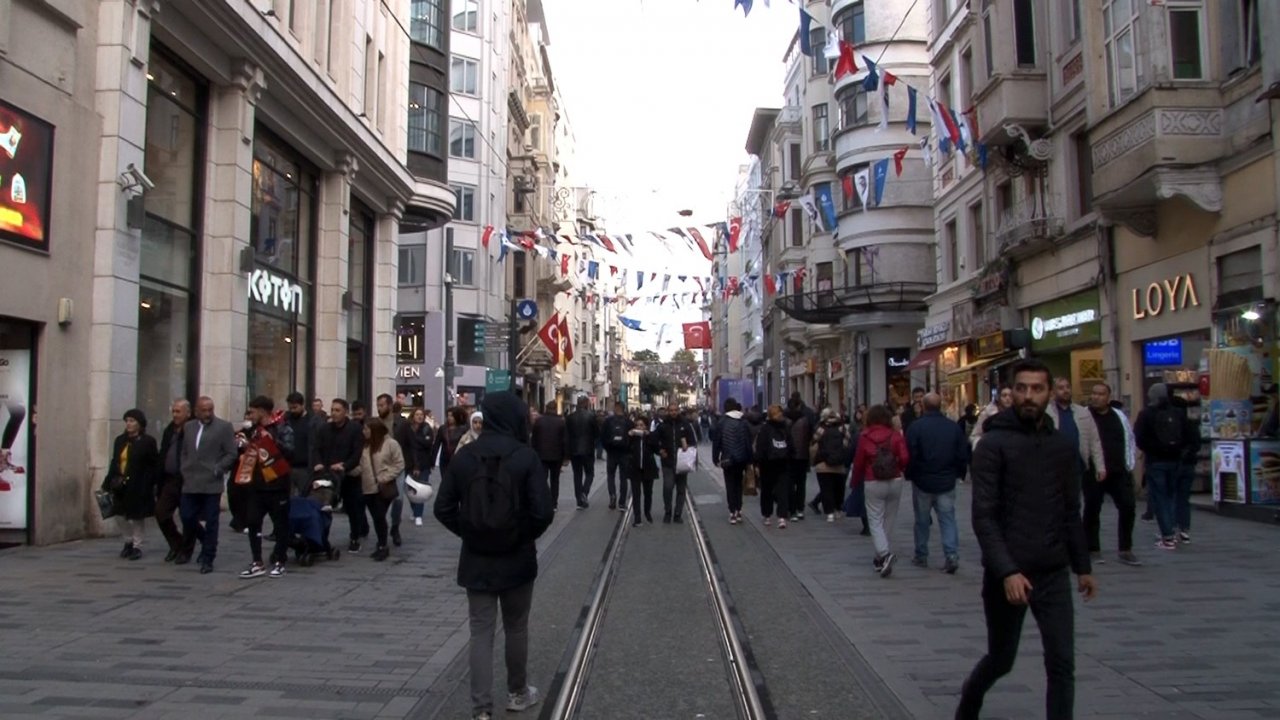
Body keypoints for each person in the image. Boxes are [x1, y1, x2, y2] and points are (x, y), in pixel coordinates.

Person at [956, 359, 1097, 720]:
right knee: (1002, 658)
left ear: (1049, 393)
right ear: (1010, 393)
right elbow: (984, 516)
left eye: (1037, 389)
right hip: (1007, 573)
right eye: (1021, 388)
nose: (1029, 396)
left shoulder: (1061, 447)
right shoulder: (992, 445)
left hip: (1052, 571)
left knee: (1062, 663)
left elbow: (1071, 511)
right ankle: (969, 701)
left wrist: (1083, 567)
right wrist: (1007, 571)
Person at [434, 392, 553, 720]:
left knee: (481, 631)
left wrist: (470, 531)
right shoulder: (525, 457)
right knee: (516, 627)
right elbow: (543, 511)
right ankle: (517, 693)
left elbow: (442, 507)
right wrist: (522, 534)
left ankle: (481, 709)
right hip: (517, 557)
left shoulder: (465, 456)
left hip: (477, 557)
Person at [905, 393, 970, 574]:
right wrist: (959, 473)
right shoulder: (952, 427)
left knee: (922, 520)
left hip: (922, 480)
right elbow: (962, 453)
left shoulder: (916, 427)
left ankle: (921, 554)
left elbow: (911, 454)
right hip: (946, 479)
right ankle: (951, 554)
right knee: (947, 519)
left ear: (923, 406)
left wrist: (910, 474)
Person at [236, 396, 295, 579]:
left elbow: (290, 452)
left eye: (252, 412)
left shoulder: (282, 428)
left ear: (262, 411)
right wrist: (242, 446)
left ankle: (280, 561)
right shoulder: (253, 430)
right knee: (253, 521)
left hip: (277, 484)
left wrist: (273, 441)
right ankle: (257, 562)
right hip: (257, 484)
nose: (250, 415)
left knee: (280, 524)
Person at [177, 397, 238, 573]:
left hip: (211, 482)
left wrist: (218, 468)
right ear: (196, 411)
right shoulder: (189, 427)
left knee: (211, 521)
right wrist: (184, 467)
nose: (208, 413)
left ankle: (208, 556)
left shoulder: (223, 427)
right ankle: (204, 539)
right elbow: (185, 451)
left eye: (210, 409)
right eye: (204, 410)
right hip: (191, 481)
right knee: (187, 516)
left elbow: (231, 453)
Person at [1084, 383, 1141, 566]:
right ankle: (1092, 548)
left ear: (1108, 397)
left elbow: (1129, 438)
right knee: (1092, 509)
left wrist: (1129, 464)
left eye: (1101, 394)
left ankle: (1125, 548)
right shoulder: (1085, 416)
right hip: (1093, 471)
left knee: (1128, 506)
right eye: (1094, 393)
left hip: (1118, 470)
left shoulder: (1118, 416)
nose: (1096, 397)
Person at [1135, 383, 1195, 551]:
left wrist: (1150, 450)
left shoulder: (1146, 414)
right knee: (1172, 496)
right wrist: (1178, 451)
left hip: (1155, 461)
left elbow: (1139, 437)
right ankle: (1175, 530)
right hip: (1175, 461)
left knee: (1160, 498)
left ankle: (1168, 536)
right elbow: (1188, 436)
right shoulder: (1177, 413)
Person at [850, 404, 909, 576]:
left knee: (875, 519)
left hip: (873, 480)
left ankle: (884, 554)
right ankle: (880, 558)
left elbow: (858, 463)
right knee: (889, 519)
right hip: (894, 479)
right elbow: (905, 457)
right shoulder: (895, 435)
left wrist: (855, 482)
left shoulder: (865, 437)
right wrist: (899, 468)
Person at [102, 409, 159, 560]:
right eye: (127, 421)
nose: (128, 424)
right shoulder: (120, 440)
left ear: (140, 424)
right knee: (119, 514)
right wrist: (108, 481)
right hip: (120, 483)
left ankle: (137, 545)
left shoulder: (147, 441)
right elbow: (115, 461)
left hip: (139, 483)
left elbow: (153, 464)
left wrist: (151, 483)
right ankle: (128, 540)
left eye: (132, 421)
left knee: (137, 516)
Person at [311, 399, 366, 553]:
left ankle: (355, 537)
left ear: (345, 412)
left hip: (348, 474)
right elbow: (316, 448)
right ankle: (321, 539)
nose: (334, 413)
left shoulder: (355, 428)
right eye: (332, 410)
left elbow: (357, 452)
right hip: (328, 474)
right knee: (325, 506)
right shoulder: (324, 429)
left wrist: (345, 465)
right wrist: (318, 463)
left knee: (353, 508)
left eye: (337, 410)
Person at [359, 417, 405, 562]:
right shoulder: (365, 446)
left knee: (379, 516)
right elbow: (361, 466)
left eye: (366, 429)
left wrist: (385, 477)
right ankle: (380, 543)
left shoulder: (390, 444)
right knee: (376, 517)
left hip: (383, 487)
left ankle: (383, 545)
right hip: (368, 487)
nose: (364, 431)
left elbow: (399, 464)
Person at [377, 394, 416, 548]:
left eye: (382, 405)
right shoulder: (376, 423)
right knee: (380, 500)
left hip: (398, 466)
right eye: (378, 405)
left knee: (398, 499)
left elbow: (411, 444)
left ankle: (395, 527)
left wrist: (415, 465)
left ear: (389, 405)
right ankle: (382, 530)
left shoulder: (402, 423)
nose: (379, 408)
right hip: (380, 466)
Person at [155, 399, 191, 562]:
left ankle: (187, 549)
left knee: (187, 516)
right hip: (170, 479)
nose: (175, 415)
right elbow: (164, 451)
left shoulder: (192, 429)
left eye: (178, 412)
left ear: (188, 413)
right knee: (161, 513)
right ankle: (176, 543)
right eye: (174, 411)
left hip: (186, 479)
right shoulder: (169, 429)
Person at [652, 404, 698, 523]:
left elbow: (693, 441)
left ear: (678, 411)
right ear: (668, 411)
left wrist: (687, 446)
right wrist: (659, 450)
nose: (673, 412)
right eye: (671, 410)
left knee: (681, 489)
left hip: (682, 462)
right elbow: (653, 440)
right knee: (668, 487)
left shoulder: (685, 424)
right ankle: (668, 511)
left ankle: (678, 514)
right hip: (667, 462)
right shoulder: (663, 425)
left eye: (675, 410)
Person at [712, 398, 753, 524]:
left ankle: (732, 511)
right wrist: (750, 459)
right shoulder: (743, 422)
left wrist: (715, 458)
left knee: (730, 485)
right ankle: (739, 510)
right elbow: (748, 442)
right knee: (738, 484)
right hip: (741, 458)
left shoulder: (722, 422)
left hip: (727, 459)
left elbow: (717, 442)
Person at [752, 404, 793, 528]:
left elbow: (760, 448)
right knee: (782, 491)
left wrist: (757, 463)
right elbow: (791, 445)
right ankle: (782, 517)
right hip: (783, 464)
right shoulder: (785, 427)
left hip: (767, 464)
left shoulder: (765, 429)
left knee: (766, 491)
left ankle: (767, 515)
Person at [808, 408, 850, 522]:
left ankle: (829, 513)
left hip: (823, 464)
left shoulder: (821, 428)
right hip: (839, 465)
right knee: (839, 488)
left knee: (826, 489)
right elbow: (847, 443)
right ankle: (837, 509)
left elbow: (813, 441)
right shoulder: (842, 428)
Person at [531, 402, 569, 512]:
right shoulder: (561, 422)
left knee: (542, 479)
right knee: (555, 480)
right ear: (555, 409)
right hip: (557, 456)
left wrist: (534, 453)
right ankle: (554, 503)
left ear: (546, 408)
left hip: (541, 455)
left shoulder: (539, 422)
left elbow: (534, 440)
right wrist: (566, 457)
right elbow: (565, 441)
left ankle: (542, 501)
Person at [284, 392, 322, 498]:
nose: (292, 410)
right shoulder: (286, 419)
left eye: (295, 407)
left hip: (306, 468)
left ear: (302, 405)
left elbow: (319, 443)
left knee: (306, 496)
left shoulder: (313, 421)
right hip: (289, 466)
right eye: (290, 408)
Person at [784, 397, 815, 522]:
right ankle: (800, 509)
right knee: (801, 484)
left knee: (790, 484)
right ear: (798, 406)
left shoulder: (784, 421)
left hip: (788, 456)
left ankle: (791, 510)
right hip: (802, 456)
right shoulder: (805, 420)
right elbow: (811, 437)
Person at [565, 398, 599, 509]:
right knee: (590, 473)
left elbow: (566, 435)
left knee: (577, 475)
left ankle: (579, 500)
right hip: (588, 450)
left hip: (574, 450)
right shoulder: (591, 416)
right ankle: (584, 492)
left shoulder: (570, 417)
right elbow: (596, 433)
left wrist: (566, 453)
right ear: (586, 404)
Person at [625, 416, 659, 526]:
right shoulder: (632, 437)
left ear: (646, 426)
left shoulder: (650, 436)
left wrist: (648, 436)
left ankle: (647, 512)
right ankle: (637, 517)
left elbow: (657, 449)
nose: (639, 427)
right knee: (636, 494)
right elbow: (624, 447)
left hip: (648, 468)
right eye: (637, 425)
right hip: (634, 468)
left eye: (641, 425)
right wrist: (629, 436)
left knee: (648, 493)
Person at [407, 407, 435, 526]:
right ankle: (414, 509)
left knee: (421, 490)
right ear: (413, 416)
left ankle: (418, 515)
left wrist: (414, 440)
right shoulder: (408, 428)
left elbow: (428, 443)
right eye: (417, 414)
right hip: (410, 463)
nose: (419, 417)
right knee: (410, 489)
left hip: (424, 463)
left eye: (421, 415)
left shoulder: (427, 428)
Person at [601, 402, 631, 510]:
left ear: (615, 408)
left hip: (612, 453)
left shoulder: (608, 421)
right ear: (624, 409)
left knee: (611, 476)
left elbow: (602, 437)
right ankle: (622, 502)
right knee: (623, 478)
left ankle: (612, 496)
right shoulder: (628, 422)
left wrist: (608, 448)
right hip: (624, 453)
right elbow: (632, 438)